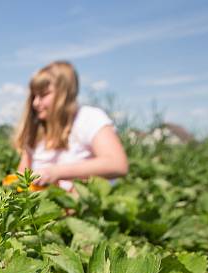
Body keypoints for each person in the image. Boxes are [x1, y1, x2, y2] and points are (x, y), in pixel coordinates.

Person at [13, 61, 128, 193]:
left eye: (43, 95)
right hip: (43, 209)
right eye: (34, 96)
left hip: (84, 209)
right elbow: (20, 177)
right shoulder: (36, 131)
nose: (35, 102)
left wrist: (56, 172)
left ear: (65, 94)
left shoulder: (88, 119)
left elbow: (117, 164)